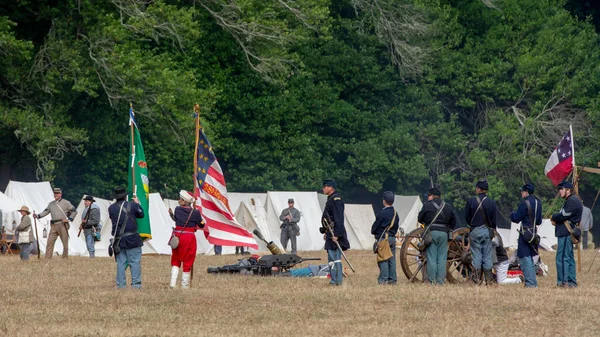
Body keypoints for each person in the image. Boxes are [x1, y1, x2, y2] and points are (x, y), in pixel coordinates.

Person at [417, 187, 457, 285]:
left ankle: (432, 281)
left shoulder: (427, 206)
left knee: (431, 258)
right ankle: (440, 281)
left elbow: (420, 218)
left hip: (431, 233)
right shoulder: (448, 206)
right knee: (442, 258)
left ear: (431, 195)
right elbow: (454, 221)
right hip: (444, 233)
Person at [168, 190, 205, 289]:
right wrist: (200, 218)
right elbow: (201, 225)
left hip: (177, 236)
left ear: (184, 201)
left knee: (176, 259)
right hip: (189, 237)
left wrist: (171, 215)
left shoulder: (177, 210)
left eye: (180, 199)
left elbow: (177, 220)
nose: (179, 200)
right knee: (188, 260)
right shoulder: (195, 212)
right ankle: (184, 286)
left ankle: (172, 283)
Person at [109, 187, 144, 289]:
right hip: (132, 238)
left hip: (119, 239)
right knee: (135, 262)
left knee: (121, 263)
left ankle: (121, 285)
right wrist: (137, 203)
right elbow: (141, 214)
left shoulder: (111, 208)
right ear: (125, 196)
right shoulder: (132, 205)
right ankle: (136, 285)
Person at [465, 180, 498, 284]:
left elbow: (467, 217)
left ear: (478, 189)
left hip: (475, 230)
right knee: (487, 256)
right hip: (487, 231)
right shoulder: (492, 202)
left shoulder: (471, 201)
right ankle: (489, 280)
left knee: (476, 255)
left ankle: (476, 279)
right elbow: (494, 220)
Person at [551, 181, 582, 288]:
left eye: (561, 189)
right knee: (568, 257)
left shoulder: (572, 201)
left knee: (563, 257)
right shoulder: (572, 200)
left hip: (566, 232)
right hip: (566, 231)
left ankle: (564, 282)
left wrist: (554, 216)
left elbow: (563, 215)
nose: (560, 192)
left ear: (568, 190)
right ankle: (570, 281)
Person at [510, 183, 542, 288]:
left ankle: (530, 283)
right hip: (534, 232)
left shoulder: (524, 203)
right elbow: (538, 221)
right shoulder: (539, 203)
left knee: (524, 257)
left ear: (526, 192)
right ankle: (532, 281)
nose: (521, 193)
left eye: (522, 191)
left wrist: (512, 214)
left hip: (525, 232)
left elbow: (517, 218)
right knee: (531, 257)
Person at [320, 179, 349, 286]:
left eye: (325, 186)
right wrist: (326, 232)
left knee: (335, 258)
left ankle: (337, 280)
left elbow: (339, 218)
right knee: (332, 258)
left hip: (335, 234)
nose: (323, 188)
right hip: (330, 232)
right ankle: (334, 279)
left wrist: (337, 234)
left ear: (331, 187)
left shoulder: (336, 199)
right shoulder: (331, 199)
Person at [35, 187, 77, 259]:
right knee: (49, 242)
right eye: (55, 193)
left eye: (57, 193)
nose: (56, 195)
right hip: (53, 225)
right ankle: (47, 258)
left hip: (62, 224)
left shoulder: (66, 202)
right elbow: (46, 211)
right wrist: (38, 216)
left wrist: (69, 219)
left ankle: (64, 258)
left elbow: (74, 211)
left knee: (65, 243)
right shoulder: (51, 204)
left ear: (60, 194)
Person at [371, 191, 399, 285]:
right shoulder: (395, 213)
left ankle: (383, 279)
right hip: (392, 238)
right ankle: (393, 279)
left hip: (383, 238)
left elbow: (374, 228)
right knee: (392, 259)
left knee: (383, 259)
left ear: (384, 201)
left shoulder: (382, 213)